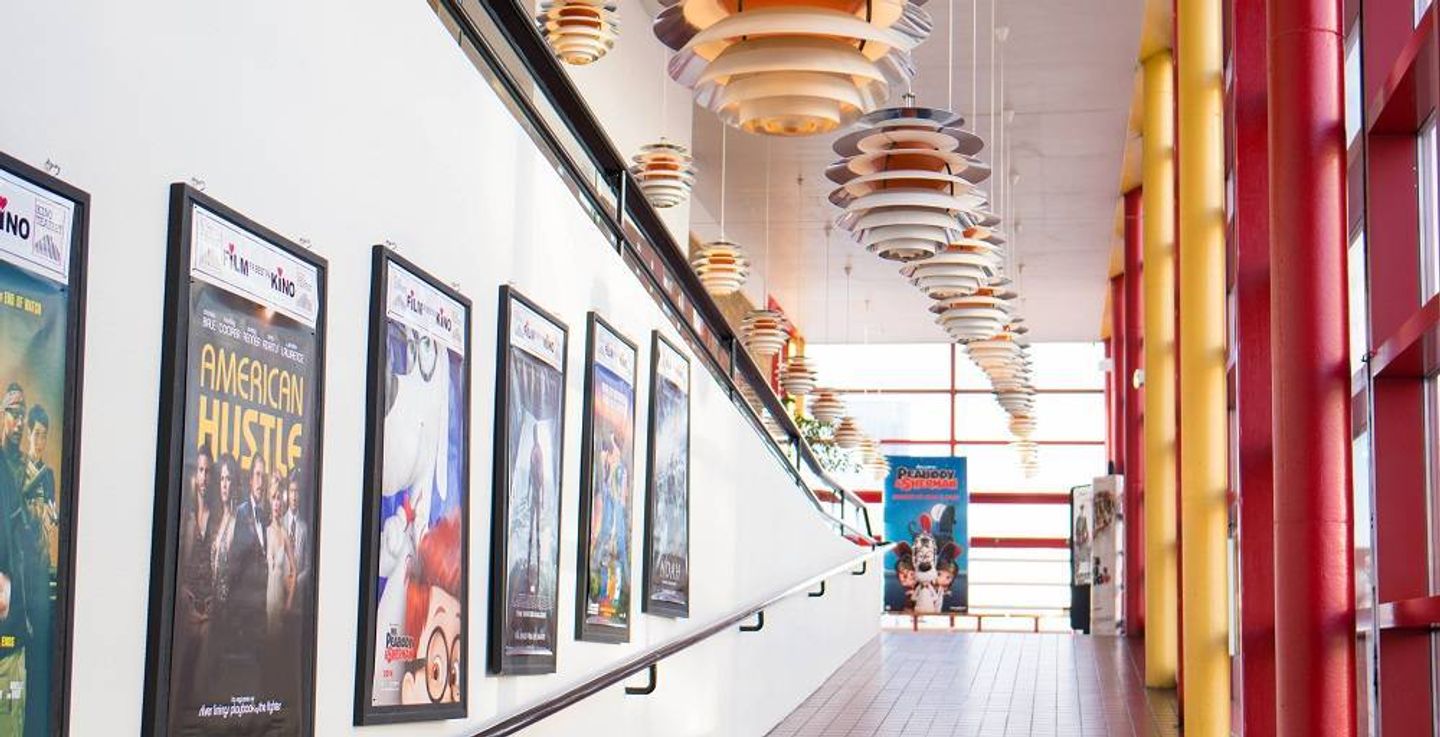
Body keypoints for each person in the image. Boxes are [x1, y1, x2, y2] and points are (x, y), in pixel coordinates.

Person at [0, 382, 48, 735]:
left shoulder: (27, 473)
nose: (18, 423)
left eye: (22, 415)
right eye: (13, 414)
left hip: (15, 630)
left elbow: (35, 548)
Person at [224, 454, 270, 685]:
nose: (260, 482)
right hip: (243, 616)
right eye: (257, 475)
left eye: (263, 476)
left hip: (259, 615)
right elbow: (237, 564)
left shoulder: (264, 515)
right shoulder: (243, 513)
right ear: (251, 479)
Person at [175, 444, 215, 702]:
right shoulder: (185, 514)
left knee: (202, 688)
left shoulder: (217, 515)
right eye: (200, 470)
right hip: (186, 607)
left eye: (208, 471)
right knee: (182, 679)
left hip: (209, 608)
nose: (204, 477)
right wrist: (182, 591)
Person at [19, 406, 55, 570]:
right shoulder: (19, 469)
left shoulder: (48, 475)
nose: (40, 442)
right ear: (28, 434)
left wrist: (52, 516)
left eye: (44, 436)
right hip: (22, 553)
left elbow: (51, 509)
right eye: (37, 434)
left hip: (41, 553)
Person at [264, 472, 295, 637]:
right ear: (269, 501)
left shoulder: (284, 535)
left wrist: (289, 602)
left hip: (280, 603)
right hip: (266, 603)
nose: (276, 503)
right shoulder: (265, 532)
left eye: (278, 498)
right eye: (273, 498)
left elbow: (294, 571)